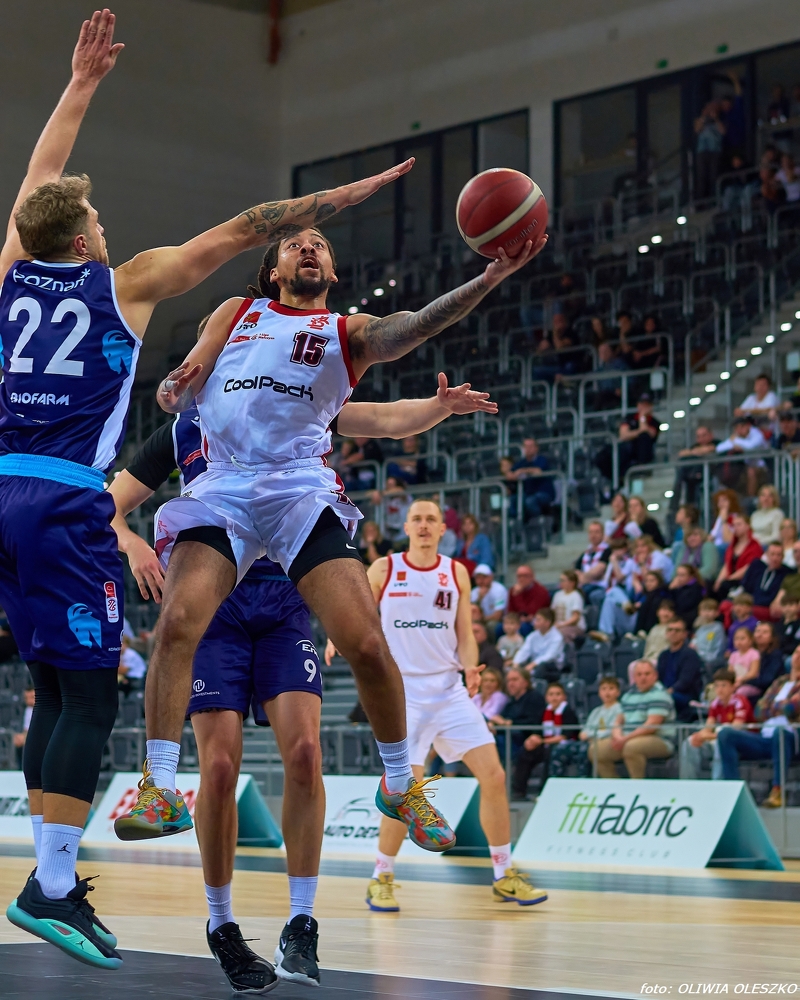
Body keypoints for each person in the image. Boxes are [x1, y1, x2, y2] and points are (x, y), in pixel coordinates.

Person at [0, 12, 411, 969]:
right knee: (87, 700)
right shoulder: (125, 283)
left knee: (50, 690)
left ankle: (53, 876)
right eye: (99, 225)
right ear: (85, 239)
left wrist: (79, 87)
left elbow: (35, 186)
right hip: (65, 499)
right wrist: (344, 195)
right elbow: (247, 228)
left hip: (3, 490)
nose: (107, 230)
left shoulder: (11, 272)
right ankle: (50, 886)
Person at [118, 204, 546, 846]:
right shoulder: (237, 313)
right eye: (295, 244)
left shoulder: (345, 334)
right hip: (222, 488)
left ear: (335, 271)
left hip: (297, 490)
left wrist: (486, 280)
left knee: (366, 643)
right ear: (274, 270)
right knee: (178, 621)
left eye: (319, 243)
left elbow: (409, 333)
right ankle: (158, 787)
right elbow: (193, 371)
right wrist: (177, 385)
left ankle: (399, 784)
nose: (308, 248)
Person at [113, 375, 493, 988]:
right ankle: (221, 924)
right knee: (218, 769)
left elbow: (384, 418)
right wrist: (132, 543)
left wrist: (437, 407)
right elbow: (110, 504)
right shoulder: (184, 429)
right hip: (219, 613)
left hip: (285, 604)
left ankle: (302, 921)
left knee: (306, 755)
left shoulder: (293, 403)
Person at [362, 498, 547, 911]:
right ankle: (381, 877)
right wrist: (342, 639)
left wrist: (470, 668)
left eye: (432, 519)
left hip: (449, 691)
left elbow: (465, 633)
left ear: (443, 529)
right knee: (405, 792)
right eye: (417, 519)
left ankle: (504, 875)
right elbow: (358, 614)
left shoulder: (455, 571)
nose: (424, 525)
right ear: (406, 527)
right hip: (403, 693)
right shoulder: (385, 568)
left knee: (494, 775)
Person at [717, 648, 800, 808]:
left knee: (780, 733)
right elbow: (758, 710)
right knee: (726, 734)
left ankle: (778, 790)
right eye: (796, 652)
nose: (798, 656)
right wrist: (780, 706)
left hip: (791, 737)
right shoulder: (780, 682)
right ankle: (733, 792)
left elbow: (792, 708)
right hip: (765, 737)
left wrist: (773, 706)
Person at [593, 660, 676, 778]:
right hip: (628, 737)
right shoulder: (628, 695)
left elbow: (651, 726)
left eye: (647, 674)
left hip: (660, 739)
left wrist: (625, 739)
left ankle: (637, 785)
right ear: (634, 677)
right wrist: (618, 736)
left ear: (655, 676)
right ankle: (615, 785)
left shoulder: (660, 695)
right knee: (596, 750)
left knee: (631, 747)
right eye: (639, 674)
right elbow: (619, 720)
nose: (643, 678)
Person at [679, 669, 753, 780]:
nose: (720, 689)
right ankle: (688, 783)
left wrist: (707, 736)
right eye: (717, 686)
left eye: (724, 685)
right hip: (719, 738)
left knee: (721, 743)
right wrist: (700, 736)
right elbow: (708, 728)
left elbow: (733, 731)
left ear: (733, 687)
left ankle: (717, 783)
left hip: (743, 743)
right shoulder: (715, 703)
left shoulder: (740, 702)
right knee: (690, 742)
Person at [510, 681, 579, 798]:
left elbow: (565, 736)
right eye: (551, 694)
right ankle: (518, 791)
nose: (554, 697)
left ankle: (544, 791)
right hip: (546, 743)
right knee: (526, 752)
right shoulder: (544, 711)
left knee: (550, 753)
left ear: (564, 697)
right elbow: (538, 731)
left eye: (558, 694)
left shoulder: (568, 712)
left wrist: (542, 741)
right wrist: (532, 740)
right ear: (546, 697)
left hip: (564, 746)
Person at [550, 676, 622, 779]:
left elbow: (611, 730)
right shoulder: (596, 711)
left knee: (584, 751)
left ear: (618, 692)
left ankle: (583, 780)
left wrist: (591, 735)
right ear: (599, 692)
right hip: (588, 741)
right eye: (604, 689)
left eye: (611, 688)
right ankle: (556, 780)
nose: (607, 692)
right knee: (560, 749)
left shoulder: (619, 710)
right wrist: (587, 735)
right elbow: (585, 730)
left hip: (604, 742)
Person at [656, 619, 704, 722]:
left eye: (677, 630)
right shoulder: (663, 655)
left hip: (685, 696)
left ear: (684, 634)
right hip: (665, 693)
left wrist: (668, 691)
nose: (673, 633)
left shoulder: (690, 654)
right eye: (670, 630)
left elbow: (686, 681)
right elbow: (658, 678)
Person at [713, 513, 763, 602]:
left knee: (724, 586)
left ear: (747, 526)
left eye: (739, 524)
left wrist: (729, 579)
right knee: (711, 586)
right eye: (734, 525)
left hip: (744, 581)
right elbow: (727, 564)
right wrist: (719, 580)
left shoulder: (755, 546)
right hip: (729, 579)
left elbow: (748, 568)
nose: (736, 528)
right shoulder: (732, 546)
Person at [671, 425, 719, 511]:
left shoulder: (717, 443)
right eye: (698, 436)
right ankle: (676, 506)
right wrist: (696, 452)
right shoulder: (695, 446)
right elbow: (681, 453)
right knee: (682, 471)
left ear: (711, 435)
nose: (701, 439)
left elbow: (711, 449)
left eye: (704, 435)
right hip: (692, 479)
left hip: (710, 476)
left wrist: (696, 452)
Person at [716, 416, 767, 496]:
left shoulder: (756, 433)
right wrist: (735, 442)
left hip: (761, 466)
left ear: (748, 426)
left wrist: (736, 442)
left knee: (751, 472)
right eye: (736, 428)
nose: (739, 430)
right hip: (744, 467)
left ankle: (751, 498)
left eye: (742, 427)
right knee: (728, 472)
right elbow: (719, 448)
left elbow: (750, 446)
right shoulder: (736, 437)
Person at [508, 438, 555, 519]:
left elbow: (538, 471)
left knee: (530, 501)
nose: (528, 449)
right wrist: (512, 474)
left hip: (544, 492)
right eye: (526, 447)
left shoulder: (542, 459)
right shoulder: (522, 462)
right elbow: (511, 473)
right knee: (513, 499)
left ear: (536, 448)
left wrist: (522, 471)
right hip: (528, 493)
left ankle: (537, 521)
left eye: (530, 446)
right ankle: (515, 523)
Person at [512, 608, 565, 675]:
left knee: (541, 668)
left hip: (552, 667)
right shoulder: (532, 636)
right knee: (518, 668)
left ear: (547, 623)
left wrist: (533, 664)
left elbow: (550, 656)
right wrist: (516, 663)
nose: (534, 622)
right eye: (535, 619)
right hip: (534, 664)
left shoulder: (557, 637)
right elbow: (524, 650)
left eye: (538, 620)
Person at [617, 394, 659, 477]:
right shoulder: (629, 418)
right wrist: (639, 432)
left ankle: (642, 469)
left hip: (642, 454)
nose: (644, 407)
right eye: (642, 404)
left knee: (644, 437)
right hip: (628, 451)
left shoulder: (654, 422)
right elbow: (623, 435)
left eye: (647, 404)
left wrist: (642, 417)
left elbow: (647, 433)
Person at [694, 100, 726, 201]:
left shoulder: (721, 119)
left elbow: (723, 131)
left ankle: (714, 199)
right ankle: (701, 201)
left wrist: (715, 118)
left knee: (714, 176)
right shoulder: (700, 119)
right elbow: (697, 129)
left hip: (715, 151)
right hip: (702, 151)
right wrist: (703, 116)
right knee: (701, 177)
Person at [506, 564, 551, 632]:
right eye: (519, 576)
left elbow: (530, 612)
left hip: (535, 622)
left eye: (525, 576)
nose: (522, 579)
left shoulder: (541, 591)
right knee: (500, 627)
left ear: (532, 577)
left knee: (524, 627)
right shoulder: (513, 590)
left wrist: (518, 595)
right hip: (517, 620)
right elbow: (510, 612)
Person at [574, 521, 610, 604]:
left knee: (582, 593)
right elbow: (576, 571)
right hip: (585, 585)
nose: (593, 535)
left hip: (600, 586)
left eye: (597, 532)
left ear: (602, 534)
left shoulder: (607, 551)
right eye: (591, 532)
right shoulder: (585, 553)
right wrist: (585, 577)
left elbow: (597, 572)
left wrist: (583, 577)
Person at [690, 598, 726, 669]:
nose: (706, 613)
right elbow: (695, 641)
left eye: (710, 610)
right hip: (699, 659)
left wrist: (710, 658)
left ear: (716, 613)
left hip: (711, 661)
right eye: (704, 610)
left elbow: (719, 646)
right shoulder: (699, 628)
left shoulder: (718, 627)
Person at [551, 570, 586, 643]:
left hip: (574, 627)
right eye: (560, 580)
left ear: (572, 583)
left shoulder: (576, 596)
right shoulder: (557, 595)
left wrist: (561, 624)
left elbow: (575, 617)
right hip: (558, 625)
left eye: (563, 580)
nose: (561, 582)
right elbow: (552, 612)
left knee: (559, 633)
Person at [667, 564, 704, 629]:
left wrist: (673, 590)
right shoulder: (678, 588)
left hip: (689, 620)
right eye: (678, 575)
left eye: (682, 575)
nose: (678, 578)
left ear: (691, 576)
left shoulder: (696, 588)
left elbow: (683, 605)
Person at [709, 488, 741, 562]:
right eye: (719, 501)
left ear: (732, 502)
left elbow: (728, 540)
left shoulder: (736, 518)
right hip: (716, 546)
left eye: (724, 500)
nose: (721, 503)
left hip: (726, 548)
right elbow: (711, 537)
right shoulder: (718, 518)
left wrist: (724, 521)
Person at [728, 626, 760, 694]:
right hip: (736, 683)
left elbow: (753, 673)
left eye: (742, 638)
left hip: (750, 684)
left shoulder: (754, 653)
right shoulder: (733, 655)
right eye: (736, 639)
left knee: (740, 692)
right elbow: (730, 672)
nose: (739, 641)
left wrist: (741, 679)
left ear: (750, 641)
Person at [13, 687, 35, 769]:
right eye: (26, 698)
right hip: (24, 736)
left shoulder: (44, 712)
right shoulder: (23, 710)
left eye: (32, 697)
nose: (29, 701)